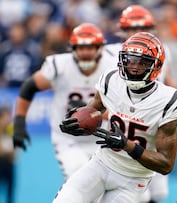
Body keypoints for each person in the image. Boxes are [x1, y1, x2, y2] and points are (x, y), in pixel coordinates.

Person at [55, 32, 177, 203]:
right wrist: (76, 122)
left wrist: (128, 145)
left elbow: (166, 164)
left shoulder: (169, 100)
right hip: (101, 163)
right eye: (130, 60)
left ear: (156, 66)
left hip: (133, 179)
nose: (134, 67)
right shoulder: (111, 80)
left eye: (142, 62)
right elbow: (92, 111)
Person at [12, 23, 117, 179]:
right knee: (79, 178)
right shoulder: (60, 65)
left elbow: (121, 110)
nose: (85, 53)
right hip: (69, 139)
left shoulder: (112, 67)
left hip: (102, 137)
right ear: (73, 48)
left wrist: (89, 111)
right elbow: (29, 87)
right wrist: (19, 123)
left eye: (90, 47)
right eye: (81, 47)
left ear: (99, 48)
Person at [104, 5, 177, 203]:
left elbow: (168, 79)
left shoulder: (162, 49)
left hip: (154, 121)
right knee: (135, 192)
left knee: (159, 191)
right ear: (122, 30)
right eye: (131, 28)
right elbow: (102, 93)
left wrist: (175, 102)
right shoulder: (109, 54)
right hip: (126, 124)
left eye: (142, 26)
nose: (136, 32)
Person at [0, 106, 16, 203]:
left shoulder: (11, 130)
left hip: (9, 165)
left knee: (10, 194)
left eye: (9, 116)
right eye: (5, 116)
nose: (8, 119)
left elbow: (15, 153)